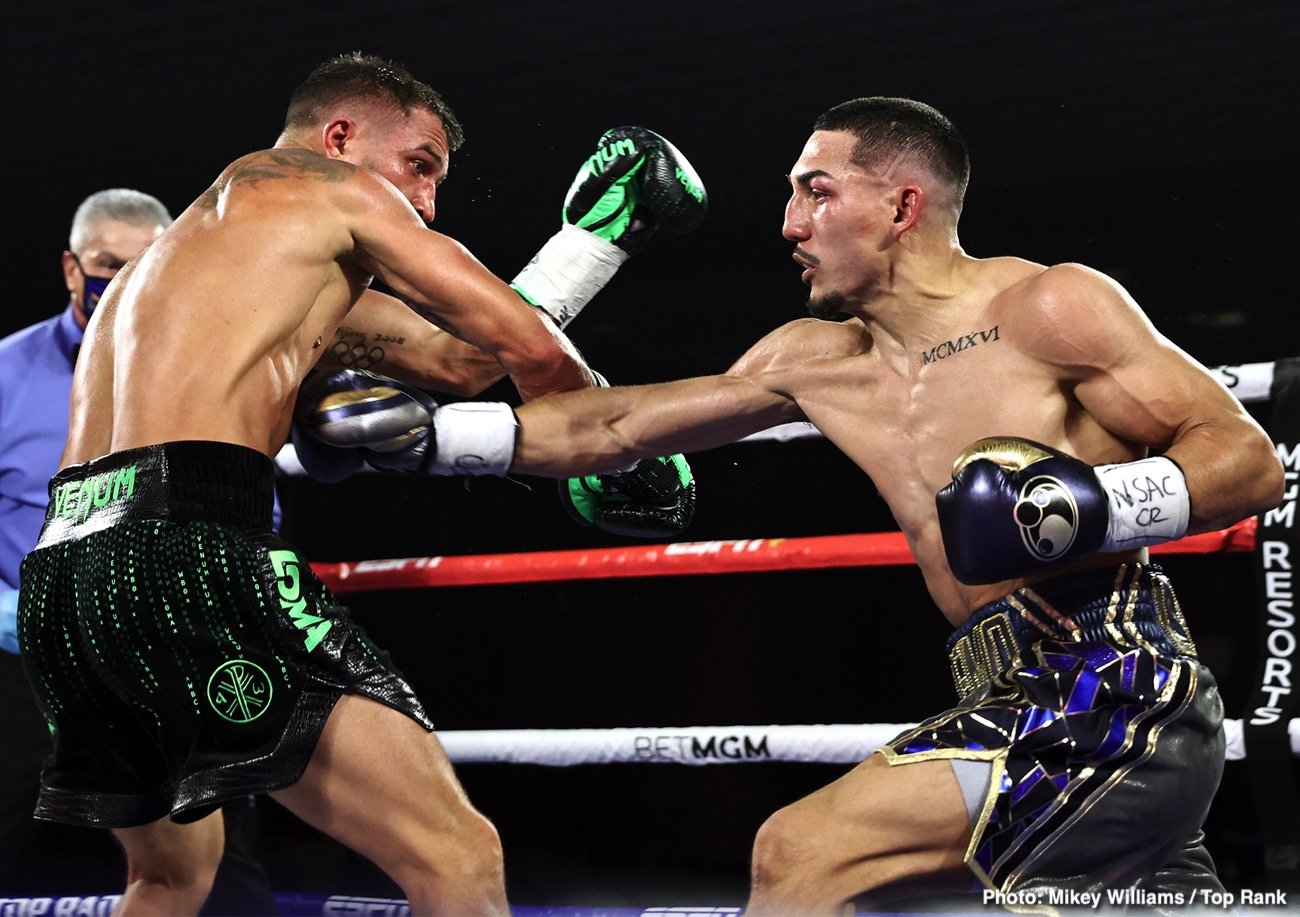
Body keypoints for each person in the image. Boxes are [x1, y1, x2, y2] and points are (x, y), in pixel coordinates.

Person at [298, 97, 1285, 909]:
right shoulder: (814, 359)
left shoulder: (1045, 308)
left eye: (816, 191)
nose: (789, 225)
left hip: (1113, 686)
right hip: (1002, 690)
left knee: (802, 852)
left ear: (902, 205)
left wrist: (1083, 508)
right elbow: (616, 426)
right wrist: (435, 438)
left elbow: (1244, 460)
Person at [15, 52, 702, 914]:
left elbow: (461, 359)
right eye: (419, 166)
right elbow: (531, 351)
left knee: (167, 879)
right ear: (339, 137)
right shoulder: (326, 186)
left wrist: (591, 236)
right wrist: (612, 446)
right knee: (457, 855)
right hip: (188, 551)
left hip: (67, 586)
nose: (426, 203)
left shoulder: (200, 259)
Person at [0, 189, 273, 911]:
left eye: (142, 264)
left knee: (220, 871)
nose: (120, 280)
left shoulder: (215, 370)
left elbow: (253, 512)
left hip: (171, 649)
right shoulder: (5, 373)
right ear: (70, 268)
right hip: (22, 660)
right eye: (104, 264)